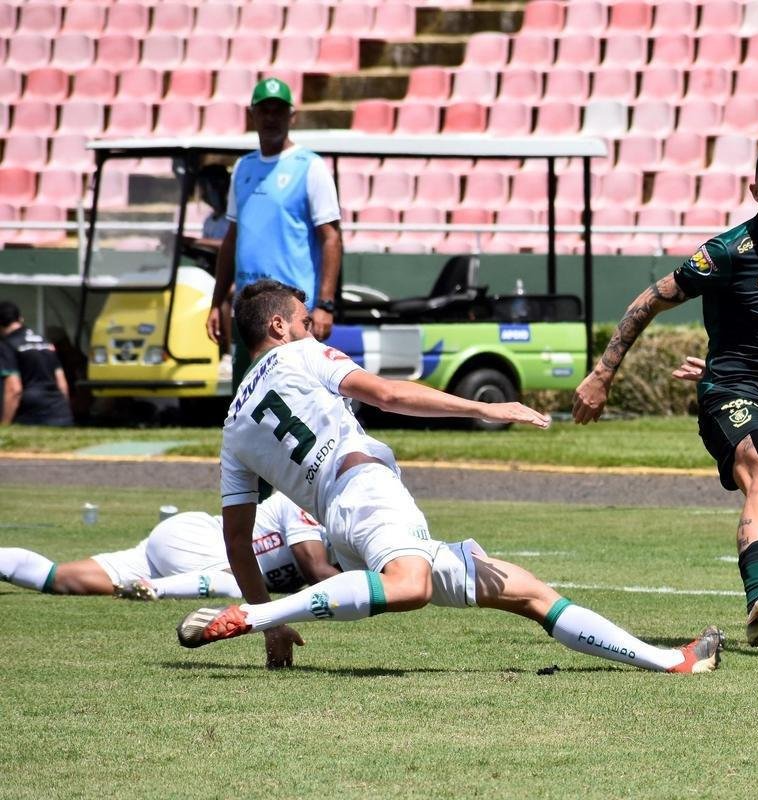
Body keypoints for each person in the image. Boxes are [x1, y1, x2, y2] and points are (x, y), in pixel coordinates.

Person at [176, 279, 723, 673]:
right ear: (279, 326)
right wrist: (486, 408)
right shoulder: (302, 355)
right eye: (302, 319)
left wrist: (274, 633)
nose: (310, 326)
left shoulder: (232, 425)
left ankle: (671, 661)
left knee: (527, 591)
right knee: (409, 586)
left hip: (342, 525)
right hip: (365, 492)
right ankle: (254, 612)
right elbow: (388, 394)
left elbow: (236, 540)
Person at [572, 141, 758, 655]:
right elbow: (648, 302)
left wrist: (726, 357)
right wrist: (602, 373)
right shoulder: (726, 252)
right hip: (731, 394)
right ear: (755, 191)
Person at [206, 77, 342, 387]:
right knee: (247, 399)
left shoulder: (310, 166)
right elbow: (232, 238)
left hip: (291, 310)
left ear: (291, 116)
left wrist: (325, 304)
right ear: (251, 115)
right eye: (264, 110)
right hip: (249, 309)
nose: (271, 118)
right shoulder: (243, 168)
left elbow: (331, 237)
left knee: (296, 397)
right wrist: (216, 303)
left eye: (278, 111)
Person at [0, 493, 340, 599]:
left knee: (60, 579)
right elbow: (316, 570)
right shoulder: (304, 500)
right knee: (235, 584)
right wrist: (386, 594)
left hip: (183, 557)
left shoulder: (346, 533)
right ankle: (152, 589)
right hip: (195, 541)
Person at [0, 301, 72, 426]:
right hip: (60, 411)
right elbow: (62, 384)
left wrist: (4, 425)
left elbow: (14, 389)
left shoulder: (7, 346)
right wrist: (62, 412)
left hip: (32, 415)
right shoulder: (45, 342)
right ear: (20, 318)